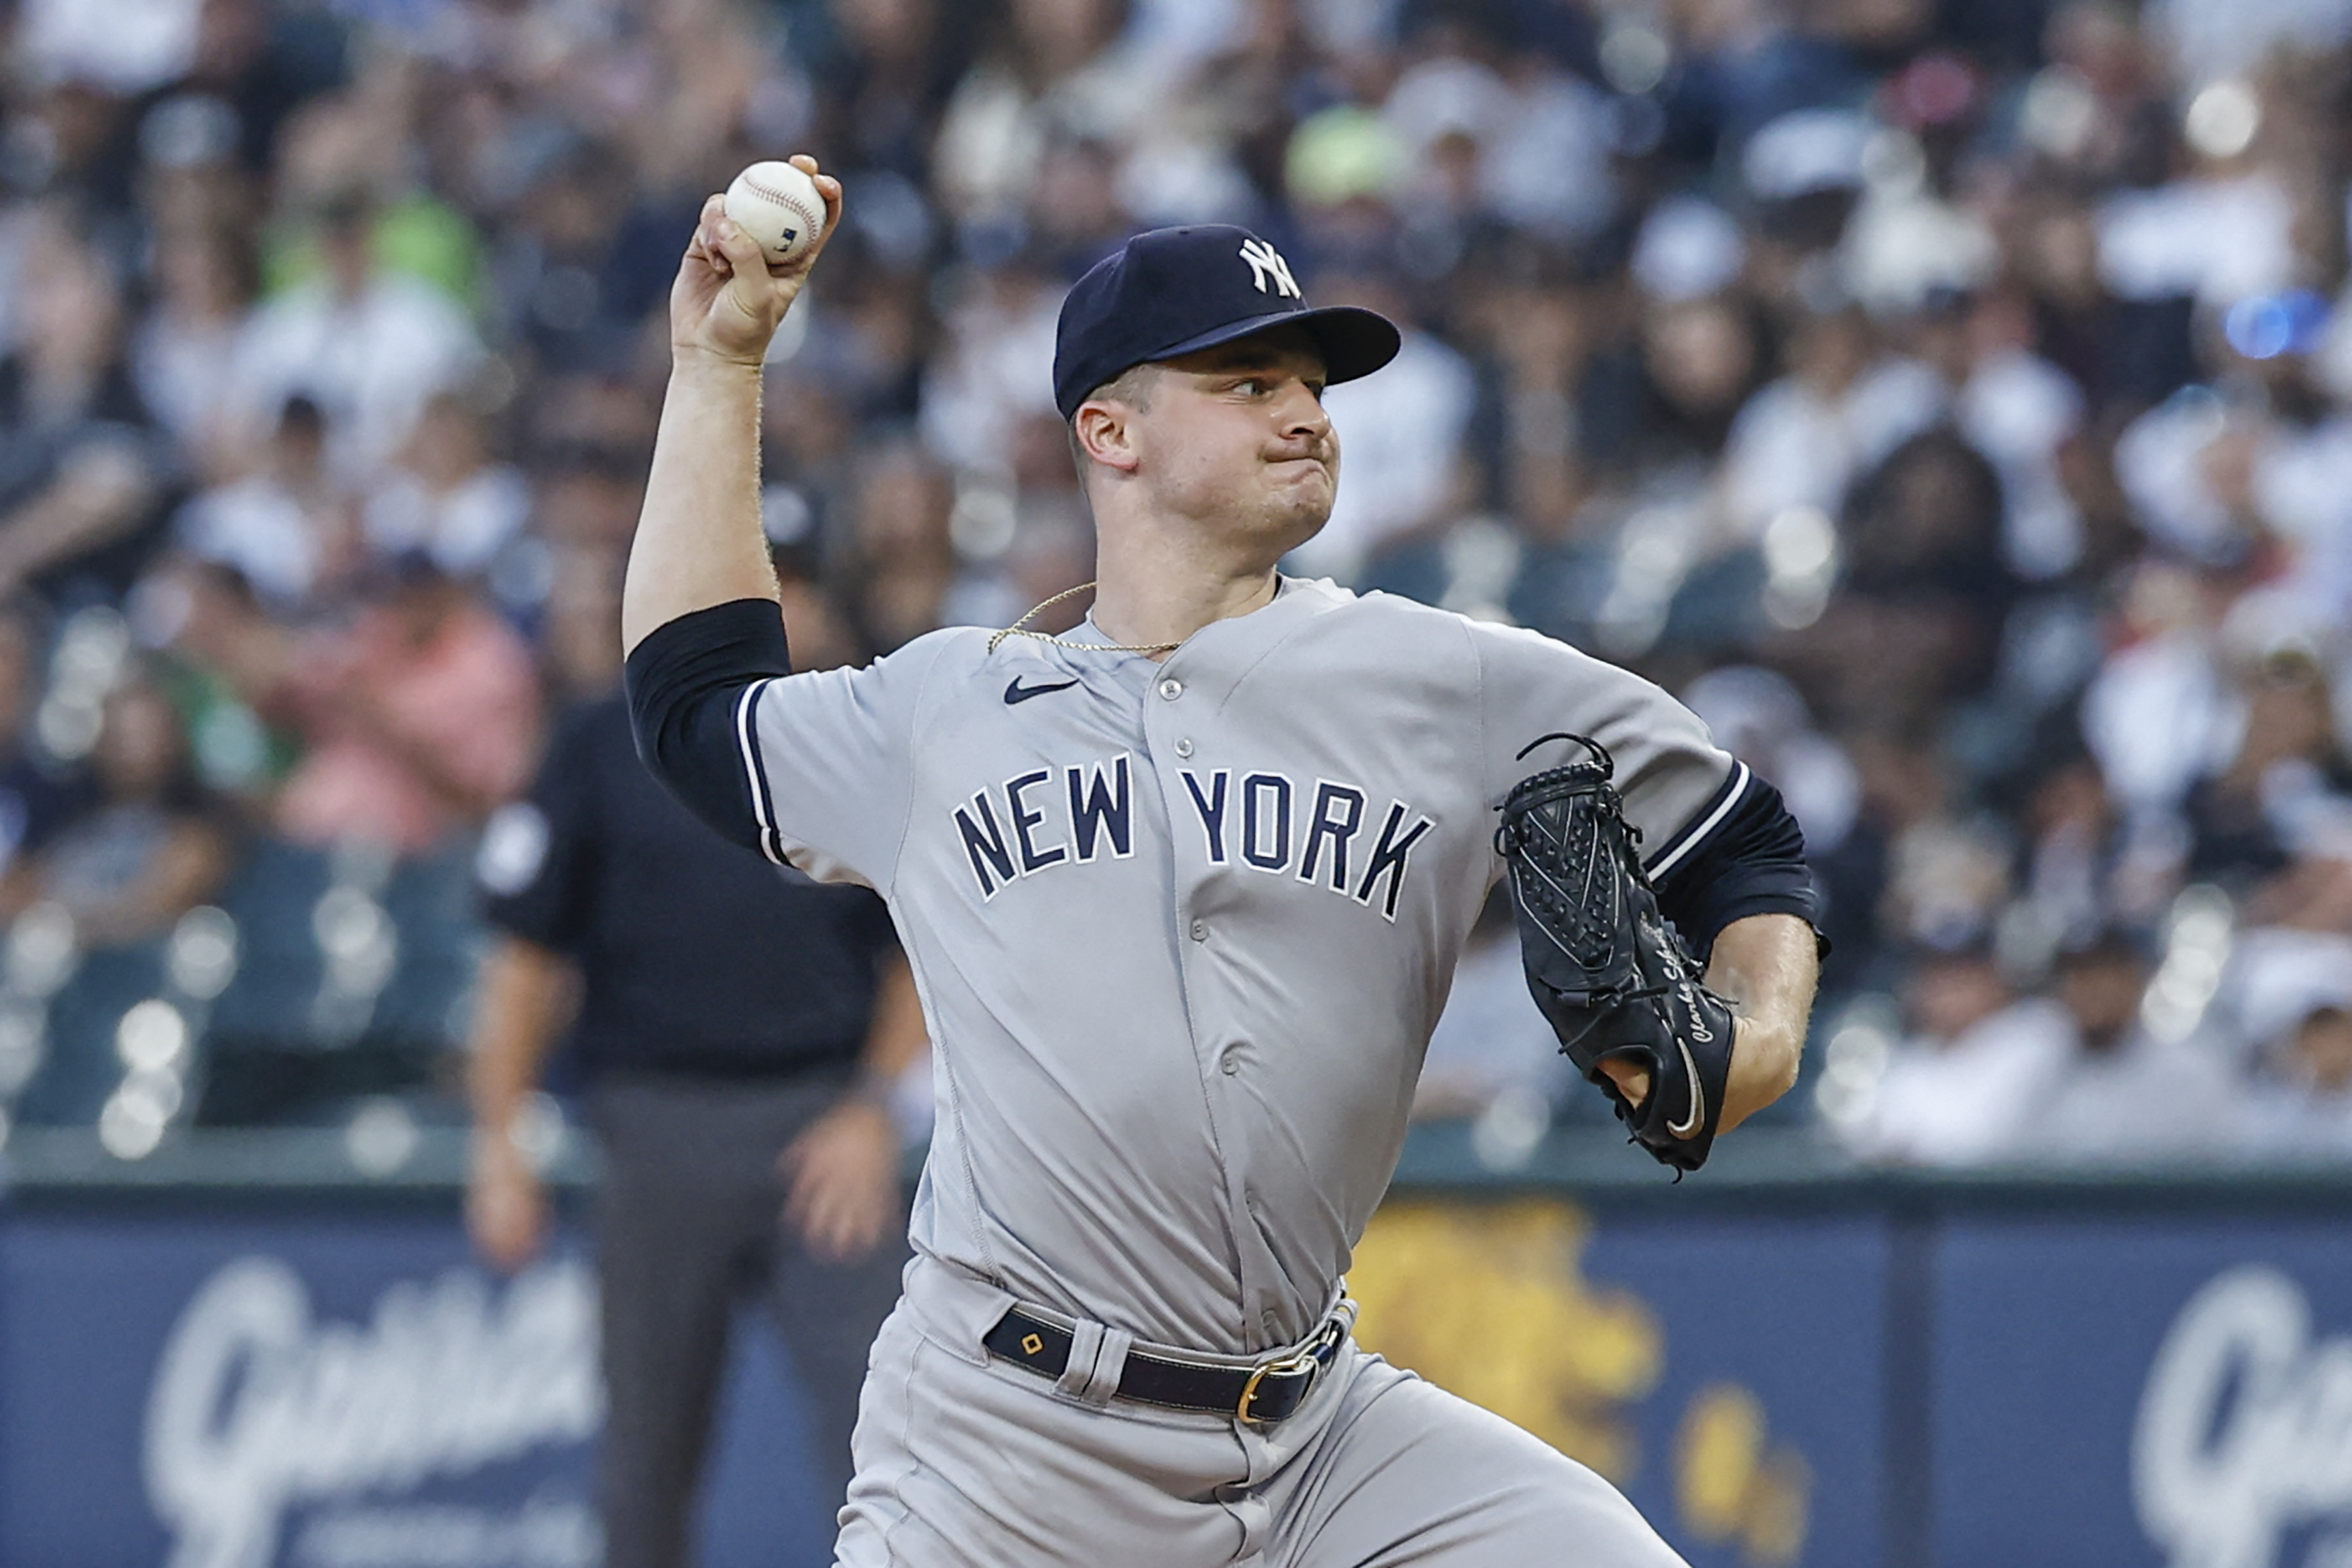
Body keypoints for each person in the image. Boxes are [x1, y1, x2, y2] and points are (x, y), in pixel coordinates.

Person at [622, 158, 1820, 1566]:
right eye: (1249, 383)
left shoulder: (1453, 680)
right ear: (1110, 428)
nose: (1307, 411)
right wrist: (719, 361)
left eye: (1312, 383)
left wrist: (1759, 1039)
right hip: (1004, 1440)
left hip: (1320, 1437)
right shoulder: (944, 710)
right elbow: (694, 709)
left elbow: (1747, 845)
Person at [464, 556, 922, 1568]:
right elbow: (524, 957)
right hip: (656, 1122)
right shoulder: (598, 738)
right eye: (759, 589)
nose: (781, 612)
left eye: (799, 587)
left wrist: (869, 1110)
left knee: (885, 1442)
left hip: (824, 1128)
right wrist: (499, 1140)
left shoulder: (864, 737)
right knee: (645, 1454)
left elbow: (917, 957)